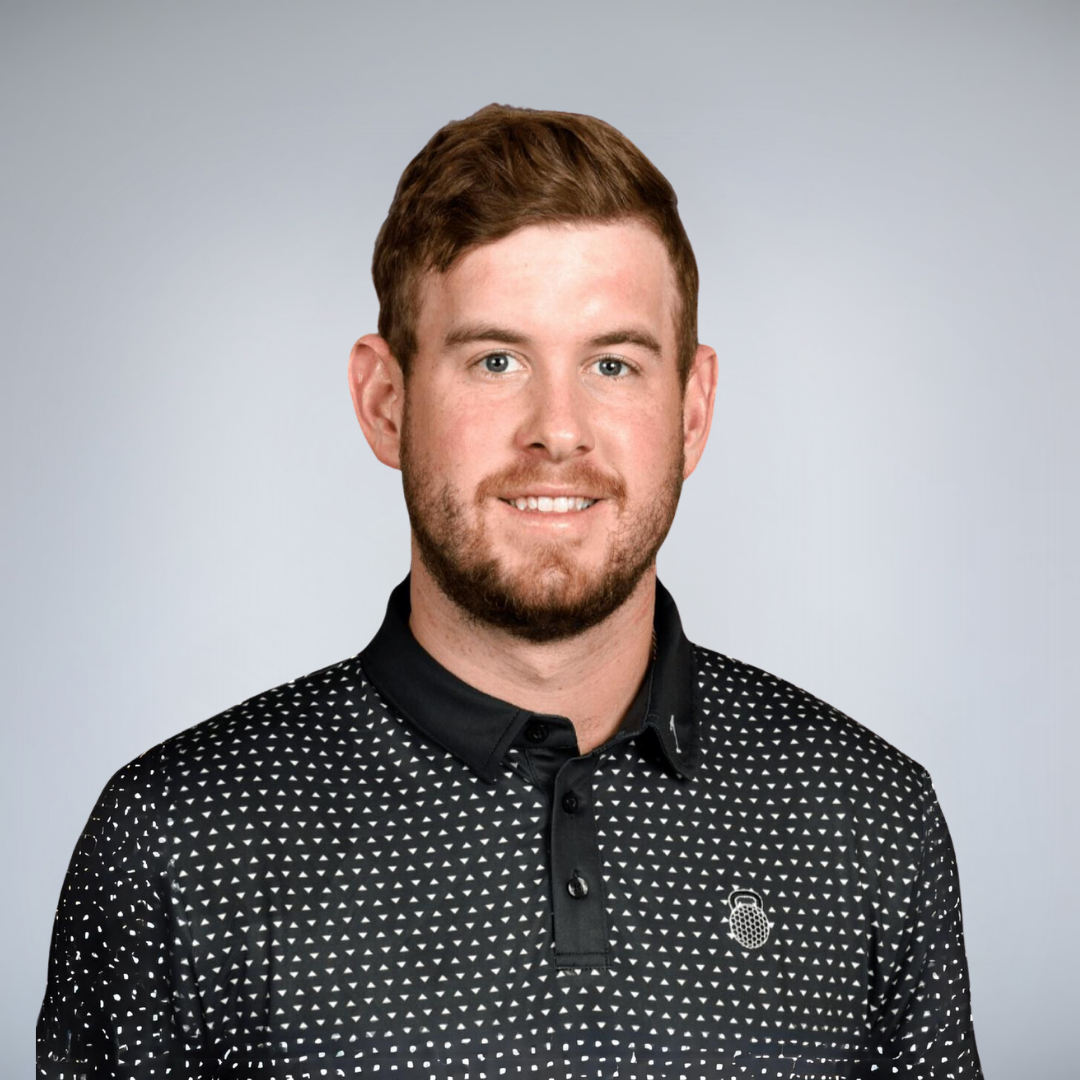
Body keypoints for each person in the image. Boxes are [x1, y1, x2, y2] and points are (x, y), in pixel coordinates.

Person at [37, 104, 982, 1080]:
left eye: (613, 363)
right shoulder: (180, 840)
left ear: (693, 410)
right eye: (496, 360)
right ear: (385, 402)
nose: (557, 430)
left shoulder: (868, 819)